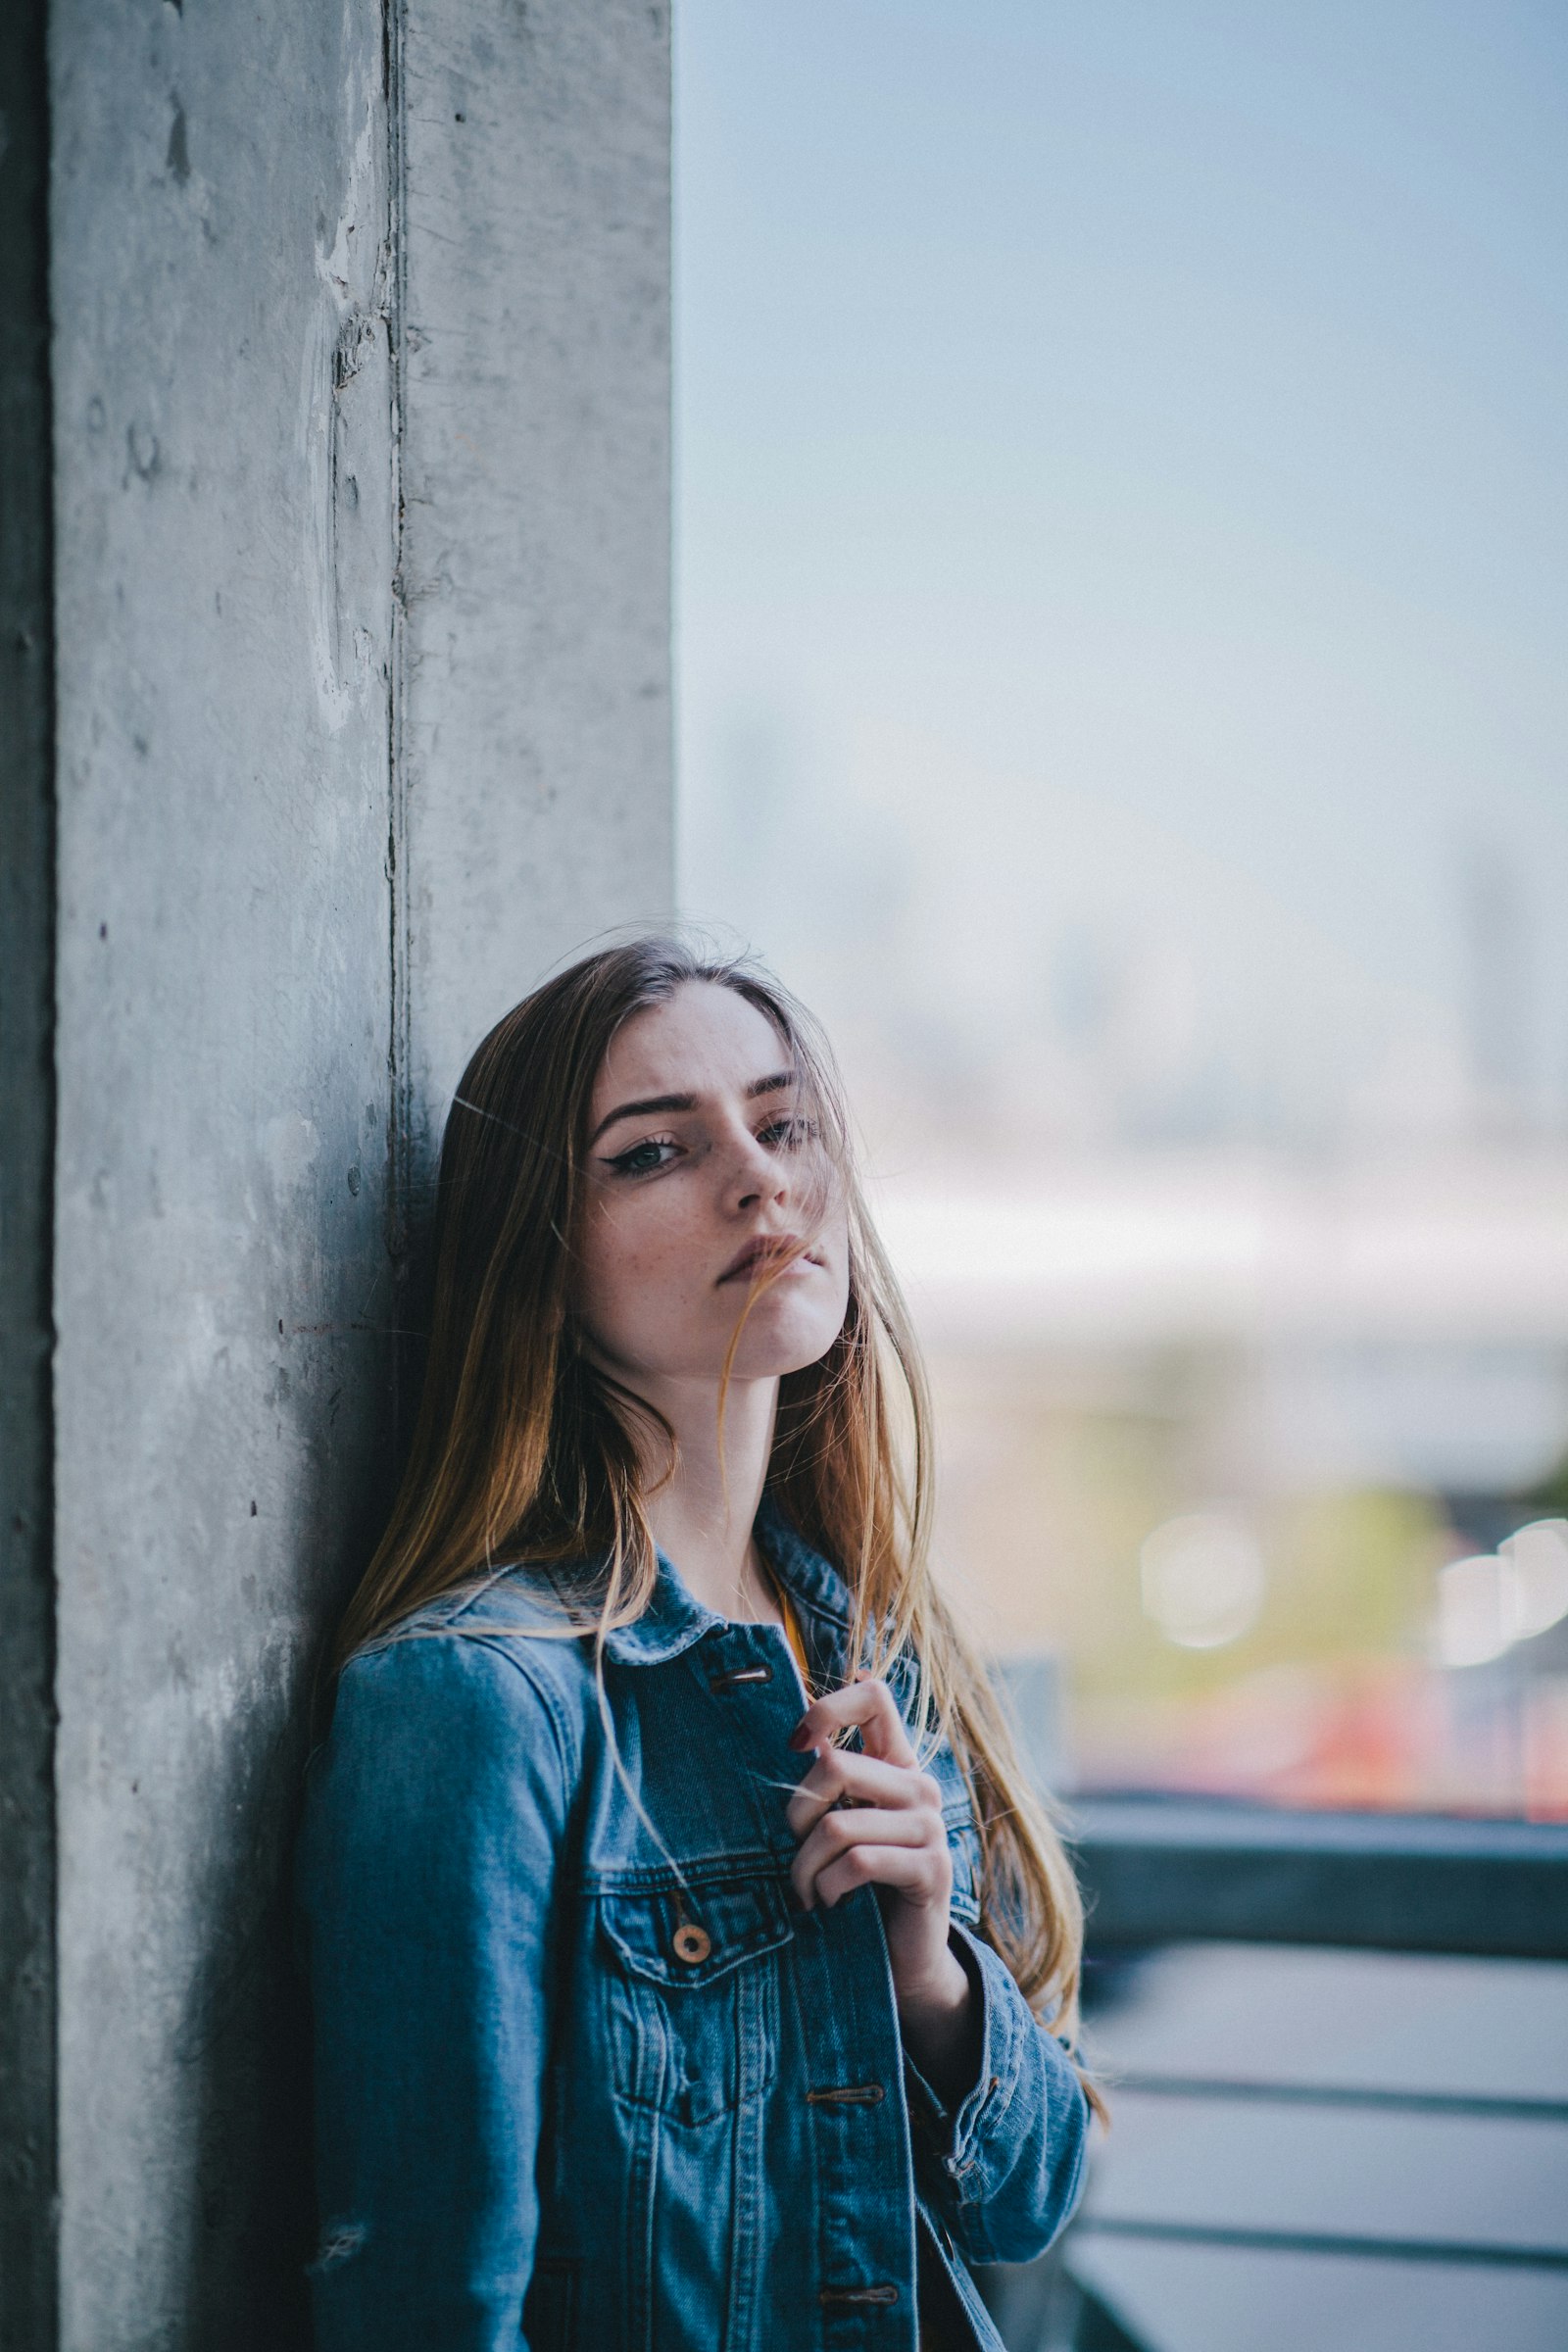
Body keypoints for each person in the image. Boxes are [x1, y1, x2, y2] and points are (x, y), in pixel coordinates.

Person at [297, 937, 1095, 2350]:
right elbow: (430, 2295)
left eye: (784, 1125)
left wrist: (928, 1973)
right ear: (541, 1254)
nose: (762, 1177)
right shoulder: (478, 1700)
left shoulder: (884, 1653)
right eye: (654, 1153)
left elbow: (1028, 2202)